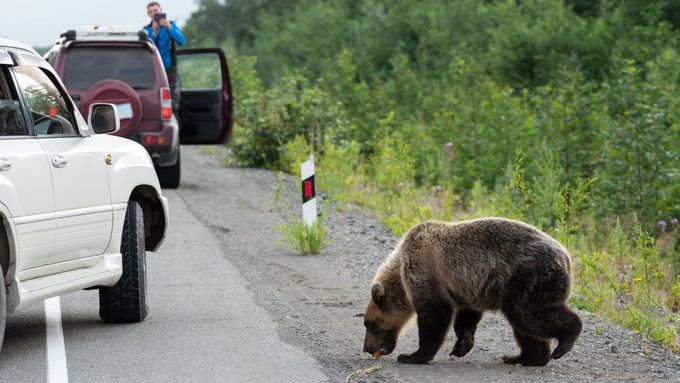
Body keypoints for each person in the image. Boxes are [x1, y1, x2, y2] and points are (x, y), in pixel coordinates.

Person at [144, 1, 186, 112]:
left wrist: (169, 27)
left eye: (156, 11)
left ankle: (174, 119)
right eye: (151, 12)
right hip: (152, 69)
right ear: (148, 15)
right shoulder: (146, 29)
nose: (154, 13)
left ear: (161, 11)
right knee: (157, 97)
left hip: (169, 68)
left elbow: (182, 41)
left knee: (173, 98)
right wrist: (154, 32)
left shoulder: (170, 24)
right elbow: (147, 47)